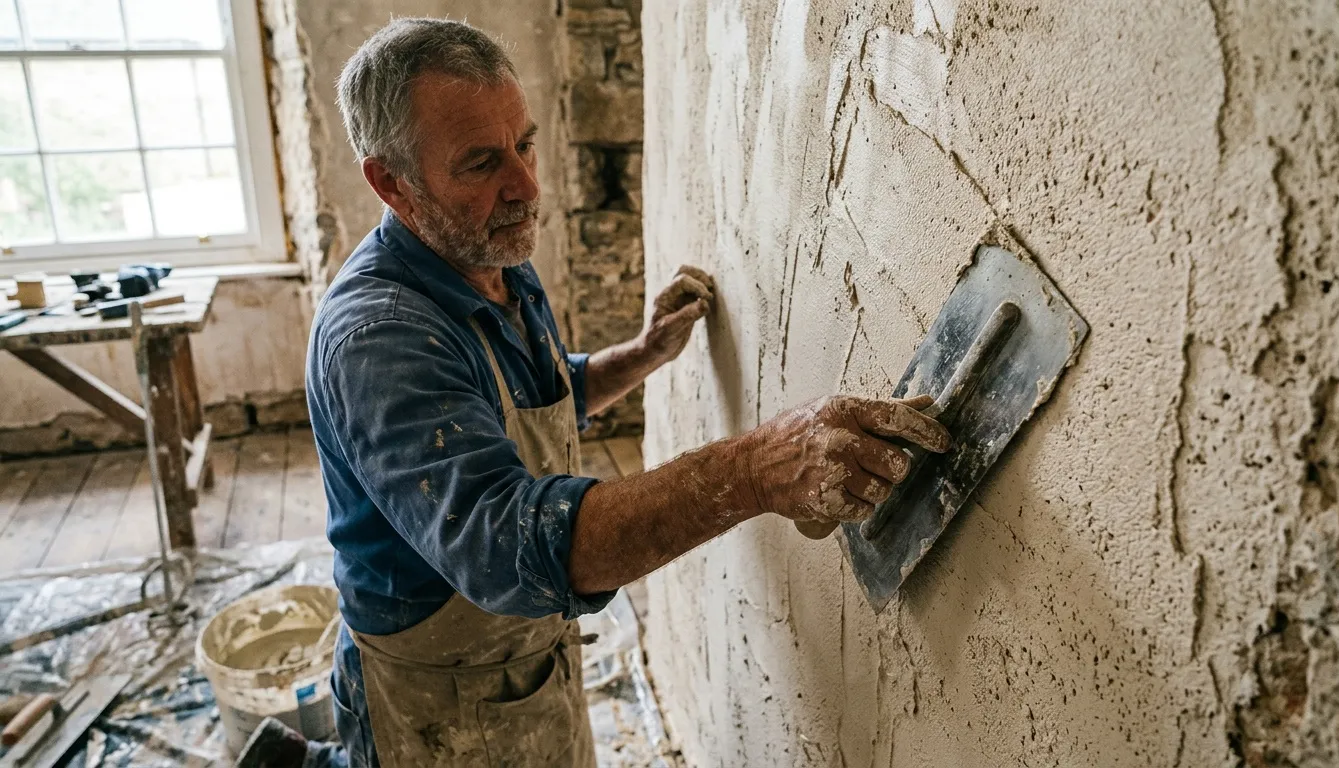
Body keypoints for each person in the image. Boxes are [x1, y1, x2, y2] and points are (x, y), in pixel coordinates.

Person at [249, 17, 949, 768]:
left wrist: (640, 356)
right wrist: (754, 470)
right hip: (436, 701)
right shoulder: (379, 338)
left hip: (522, 662)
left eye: (525, 143)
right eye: (482, 162)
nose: (524, 185)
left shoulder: (485, 253)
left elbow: (527, 407)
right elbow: (504, 549)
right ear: (391, 182)